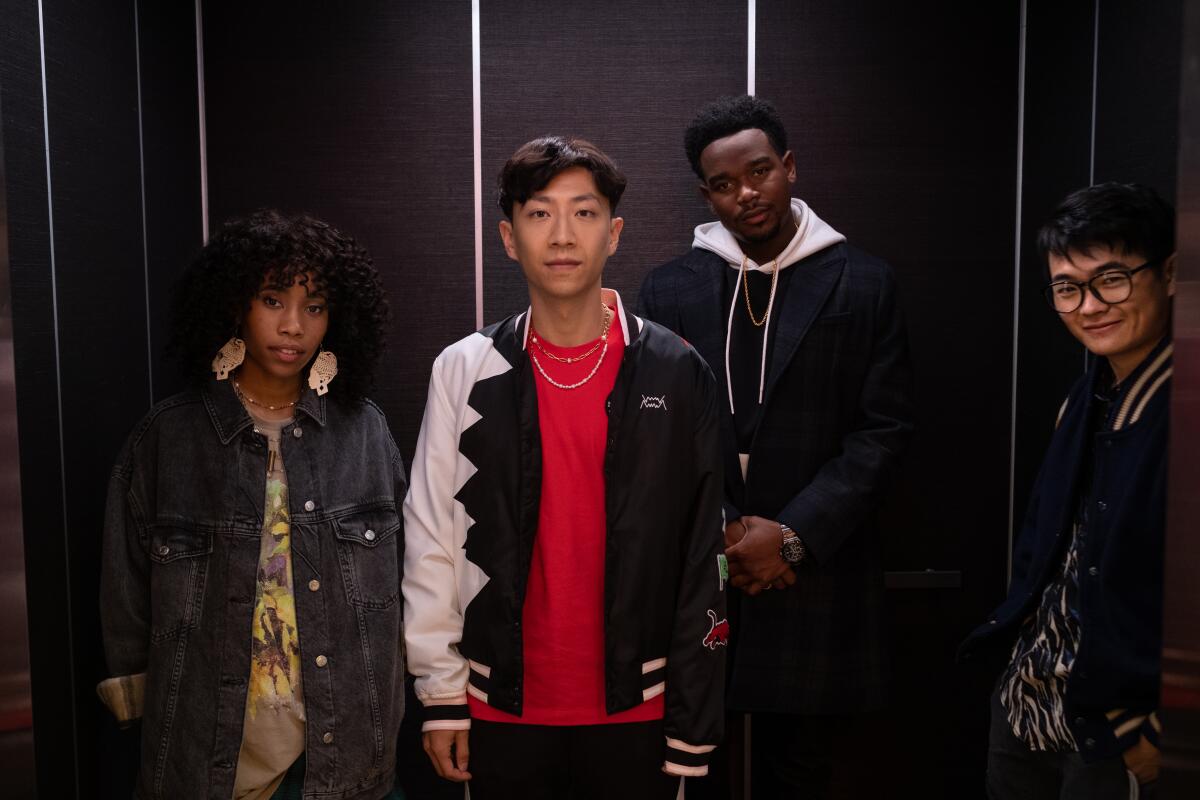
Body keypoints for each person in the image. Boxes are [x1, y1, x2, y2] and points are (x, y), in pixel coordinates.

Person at [402, 136, 726, 799]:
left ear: (613, 233)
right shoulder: (465, 368)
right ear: (508, 236)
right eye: (539, 213)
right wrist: (440, 693)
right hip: (499, 702)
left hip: (640, 704)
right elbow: (431, 536)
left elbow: (704, 558)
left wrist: (693, 725)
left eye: (583, 213)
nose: (562, 235)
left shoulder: (674, 368)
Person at [638, 95, 914, 797]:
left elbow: (883, 431)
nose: (746, 194)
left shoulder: (864, 282)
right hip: (708, 569)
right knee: (696, 767)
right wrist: (728, 529)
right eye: (724, 184)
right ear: (707, 193)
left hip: (817, 569)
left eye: (759, 171)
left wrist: (791, 536)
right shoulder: (670, 289)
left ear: (788, 167)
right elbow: (657, 431)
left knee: (804, 772)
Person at [97, 210, 406, 799]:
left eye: (314, 307)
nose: (293, 326)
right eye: (273, 300)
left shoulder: (364, 432)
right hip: (199, 755)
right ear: (235, 304)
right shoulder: (169, 438)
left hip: (341, 755)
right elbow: (126, 597)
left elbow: (403, 587)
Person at [960, 182, 1175, 799]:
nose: (1089, 306)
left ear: (1170, 274)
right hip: (1032, 699)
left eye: (1111, 279)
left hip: (1118, 725)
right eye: (1067, 288)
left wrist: (1156, 727)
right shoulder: (1085, 396)